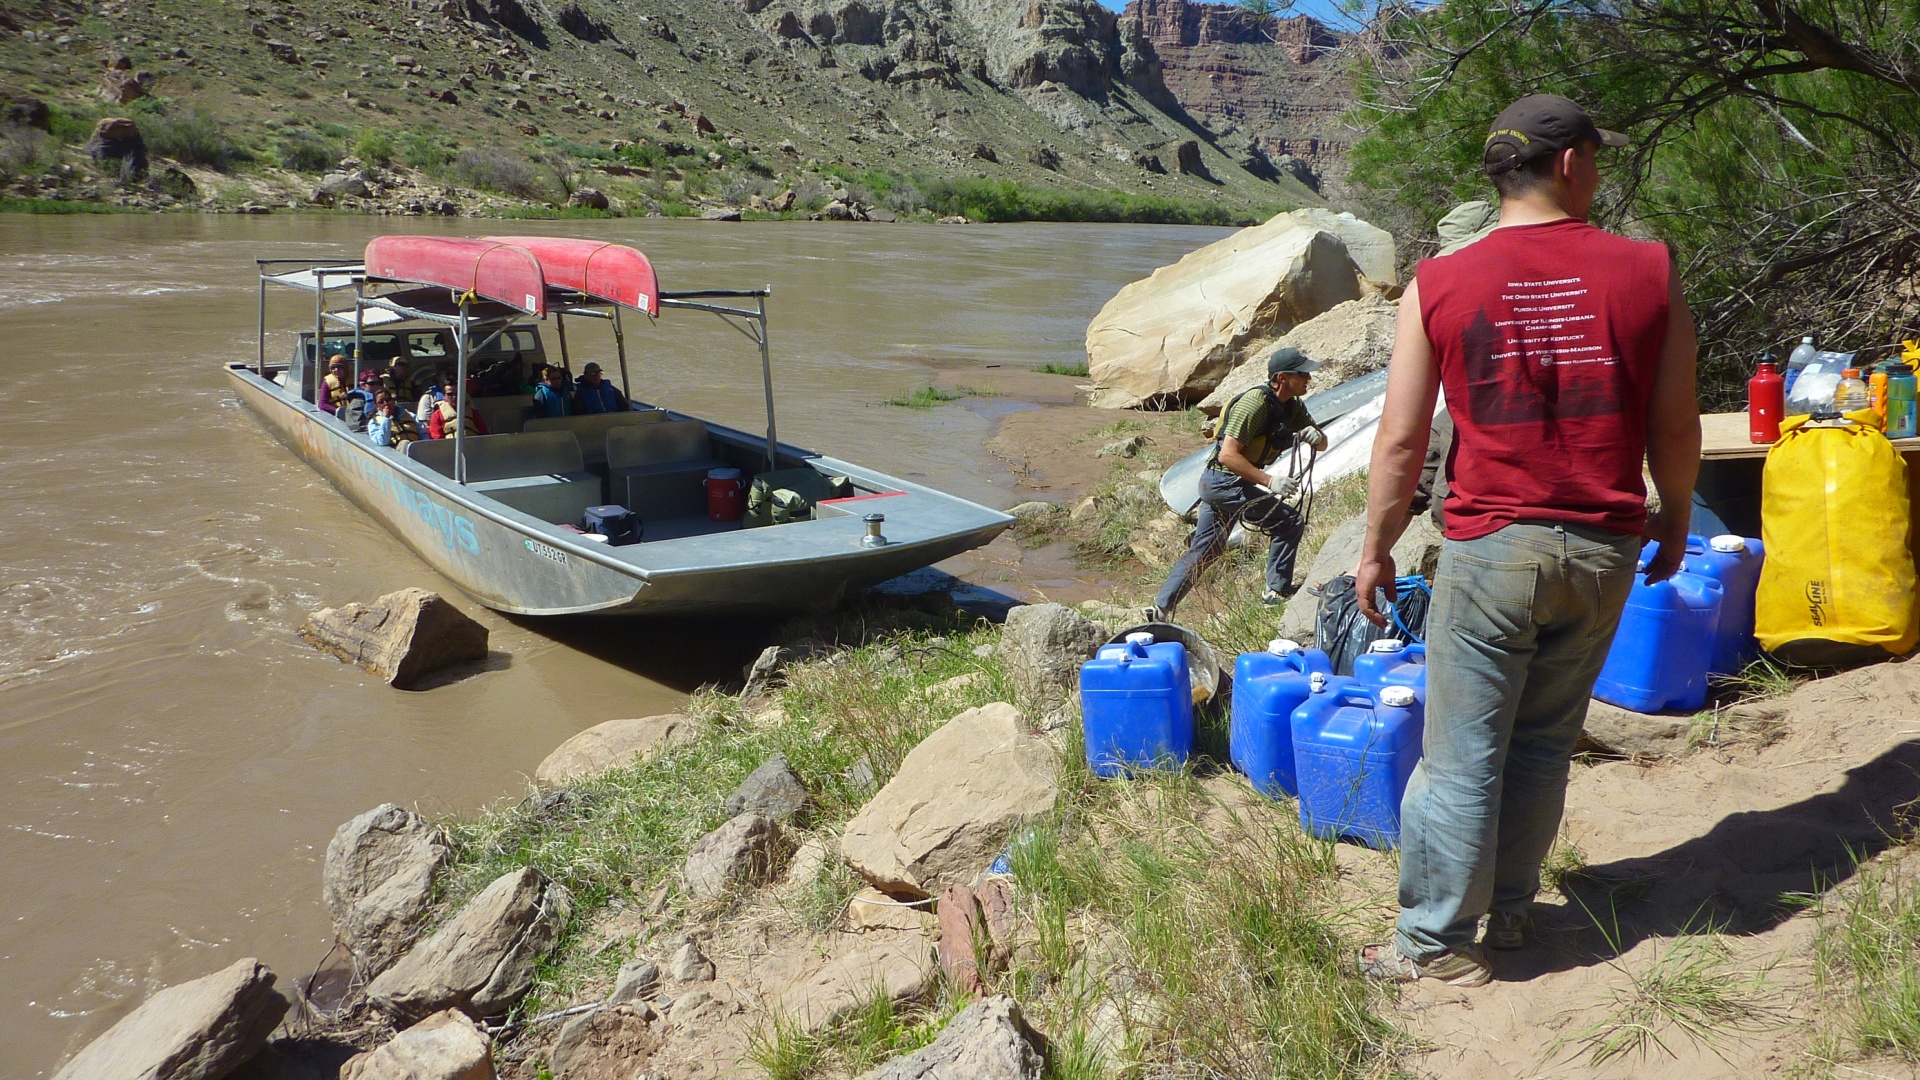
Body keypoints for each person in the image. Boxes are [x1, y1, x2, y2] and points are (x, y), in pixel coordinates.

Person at [1351, 94, 1699, 986]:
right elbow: (1675, 425)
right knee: (1543, 742)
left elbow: (1398, 438)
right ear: (1573, 163)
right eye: (1597, 156)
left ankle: (1433, 944)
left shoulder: (1440, 282)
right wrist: (1678, 513)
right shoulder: (1649, 271)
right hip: (1604, 547)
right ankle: (1506, 917)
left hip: (1492, 546)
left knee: (1461, 754)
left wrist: (1376, 545)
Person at [1148, 347, 1328, 620]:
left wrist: (1314, 436)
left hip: (1226, 484)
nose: (1308, 379)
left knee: (1208, 548)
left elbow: (1323, 443)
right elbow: (1228, 454)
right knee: (1289, 522)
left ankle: (1160, 608)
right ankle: (1274, 593)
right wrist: (1271, 481)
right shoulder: (1254, 404)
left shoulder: (1293, 406)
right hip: (1221, 482)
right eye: (1302, 374)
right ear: (1281, 377)